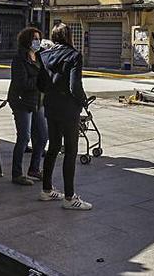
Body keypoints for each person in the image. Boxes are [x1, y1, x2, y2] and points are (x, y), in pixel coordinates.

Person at [38, 23, 92, 210]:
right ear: (69, 37)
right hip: (69, 109)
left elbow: (40, 84)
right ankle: (69, 197)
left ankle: (46, 189)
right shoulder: (74, 55)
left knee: (52, 148)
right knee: (70, 151)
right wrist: (83, 101)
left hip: (51, 107)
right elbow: (74, 86)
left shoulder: (44, 55)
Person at [8, 27, 49, 186]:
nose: (37, 42)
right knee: (24, 137)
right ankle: (17, 174)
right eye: (34, 39)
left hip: (38, 101)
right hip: (22, 102)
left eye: (39, 38)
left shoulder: (39, 56)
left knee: (43, 136)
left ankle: (34, 168)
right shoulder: (19, 59)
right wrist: (40, 80)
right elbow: (21, 83)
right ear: (27, 41)